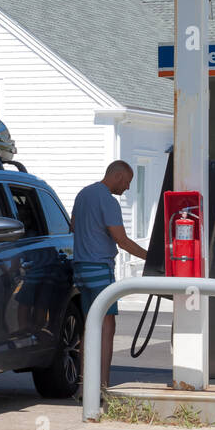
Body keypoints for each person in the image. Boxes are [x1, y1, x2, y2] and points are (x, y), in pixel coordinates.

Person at [70, 161, 147, 389]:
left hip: (81, 269)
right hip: (100, 269)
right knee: (106, 326)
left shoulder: (83, 194)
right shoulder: (108, 201)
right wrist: (152, 258)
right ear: (118, 175)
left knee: (89, 325)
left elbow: (73, 226)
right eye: (127, 182)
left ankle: (84, 384)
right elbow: (122, 240)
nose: (128, 188)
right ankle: (102, 385)